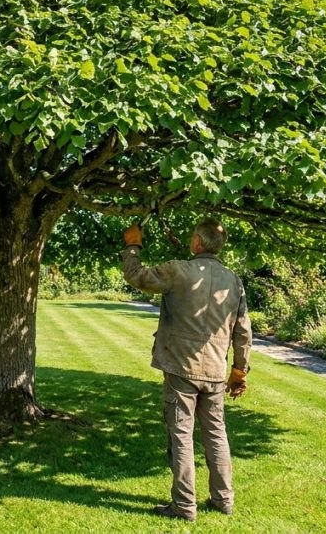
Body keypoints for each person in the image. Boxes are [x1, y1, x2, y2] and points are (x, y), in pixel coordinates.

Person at [121, 217, 252, 522]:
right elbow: (243, 330)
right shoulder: (233, 280)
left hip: (181, 368)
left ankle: (184, 505)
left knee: (181, 436)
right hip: (215, 371)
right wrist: (240, 371)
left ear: (196, 242)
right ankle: (223, 500)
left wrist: (132, 245)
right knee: (217, 435)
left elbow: (136, 276)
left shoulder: (178, 270)